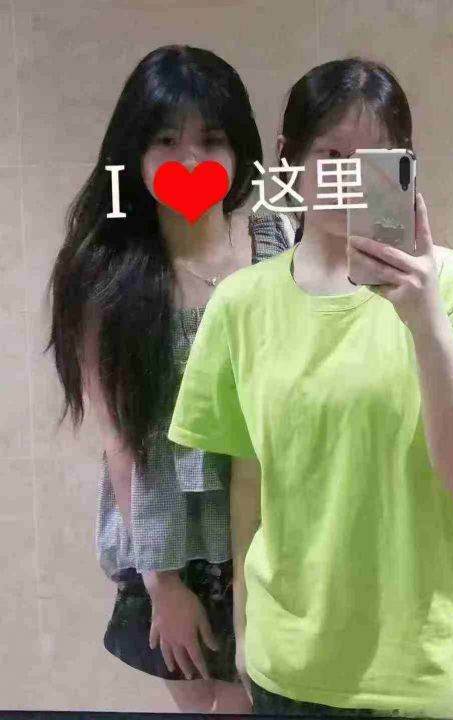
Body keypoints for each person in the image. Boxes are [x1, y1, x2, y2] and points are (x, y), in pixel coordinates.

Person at [166, 57, 453, 719]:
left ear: (406, 166)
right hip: (289, 668)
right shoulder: (241, 304)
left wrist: (424, 320)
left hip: (423, 672)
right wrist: (246, 631)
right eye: (331, 156)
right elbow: (248, 480)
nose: (348, 180)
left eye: (373, 161)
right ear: (288, 157)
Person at [46, 44, 292, 714]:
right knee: (212, 708)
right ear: (134, 151)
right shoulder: (108, 274)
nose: (190, 159)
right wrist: (163, 585)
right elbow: (122, 442)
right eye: (165, 140)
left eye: (211, 140)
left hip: (277, 529)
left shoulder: (277, 245)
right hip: (174, 547)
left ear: (240, 150)